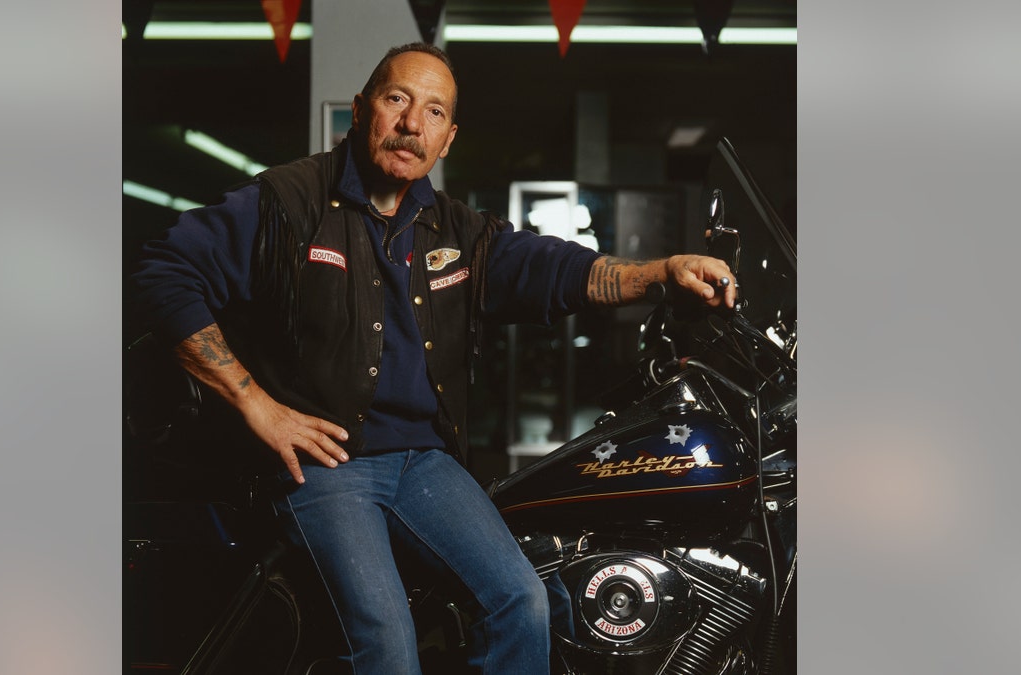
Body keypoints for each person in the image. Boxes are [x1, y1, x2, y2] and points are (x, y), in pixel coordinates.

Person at [131, 42, 735, 675]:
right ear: (363, 111)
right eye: (397, 100)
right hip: (326, 464)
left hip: (425, 463)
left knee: (523, 601)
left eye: (434, 111)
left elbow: (559, 271)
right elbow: (163, 274)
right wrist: (255, 405)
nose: (411, 123)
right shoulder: (287, 203)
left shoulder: (456, 231)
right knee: (387, 643)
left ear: (447, 139)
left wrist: (663, 271)